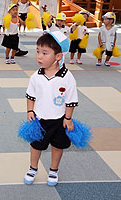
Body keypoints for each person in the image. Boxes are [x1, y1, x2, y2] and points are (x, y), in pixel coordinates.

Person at [24, 31, 78, 187]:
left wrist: (68, 118)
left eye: (44, 53)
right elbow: (30, 96)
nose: (39, 56)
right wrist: (30, 111)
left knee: (58, 146)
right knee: (36, 145)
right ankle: (33, 168)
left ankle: (54, 170)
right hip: (39, 120)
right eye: (38, 51)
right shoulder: (36, 76)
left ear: (58, 56)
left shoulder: (67, 77)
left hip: (59, 121)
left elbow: (71, 100)